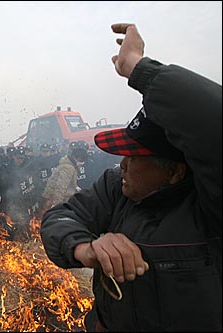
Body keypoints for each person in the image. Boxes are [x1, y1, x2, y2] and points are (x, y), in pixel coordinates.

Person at [40, 23, 221, 332]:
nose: (122, 164)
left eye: (135, 157)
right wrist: (87, 249)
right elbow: (59, 217)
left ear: (175, 170)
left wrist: (138, 69)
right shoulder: (116, 188)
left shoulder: (208, 208)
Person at [41, 141, 88, 211]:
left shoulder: (70, 165)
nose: (82, 163)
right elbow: (60, 187)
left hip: (61, 198)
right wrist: (56, 205)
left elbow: (69, 183)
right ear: (75, 158)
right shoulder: (68, 168)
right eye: (80, 160)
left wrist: (76, 188)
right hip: (58, 200)